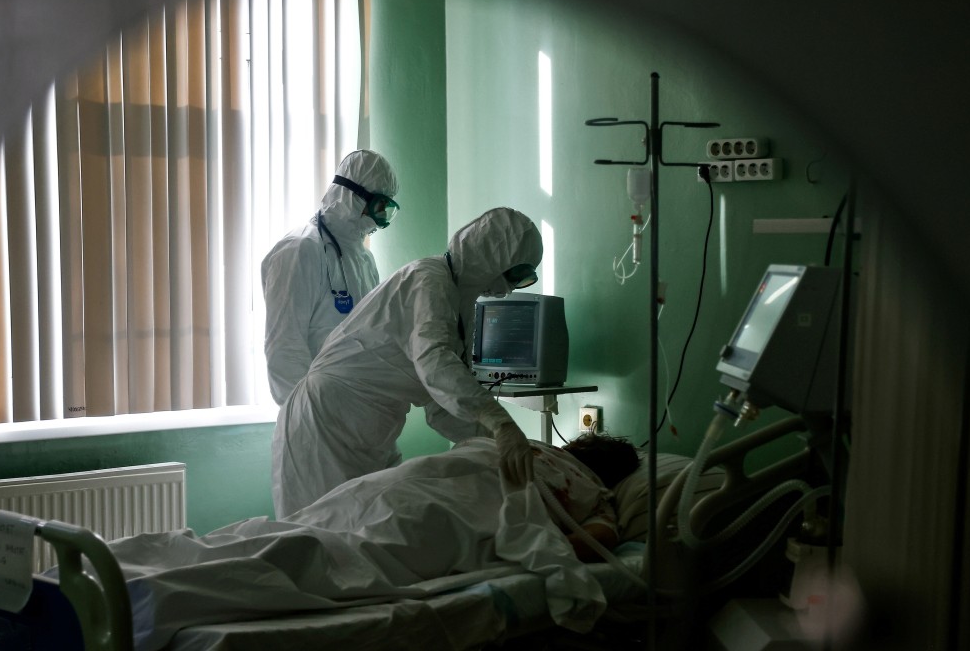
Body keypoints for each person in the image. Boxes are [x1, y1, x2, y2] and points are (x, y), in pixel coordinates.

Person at [102, 434, 642, 651]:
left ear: (581, 443)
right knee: (328, 555)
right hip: (434, 514)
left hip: (388, 492)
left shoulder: (513, 441)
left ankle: (117, 574)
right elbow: (585, 548)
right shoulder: (596, 496)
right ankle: (149, 596)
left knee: (291, 534)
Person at [271, 206, 543, 517]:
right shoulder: (428, 280)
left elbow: (441, 405)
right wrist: (501, 423)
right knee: (324, 530)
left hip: (366, 428)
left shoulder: (458, 304)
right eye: (514, 274)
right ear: (490, 255)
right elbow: (435, 363)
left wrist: (495, 444)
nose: (509, 289)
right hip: (328, 422)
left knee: (366, 528)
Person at [261, 150, 401, 405]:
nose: (380, 219)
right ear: (352, 196)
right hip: (315, 415)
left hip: (357, 409)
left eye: (386, 209)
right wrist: (307, 414)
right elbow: (284, 348)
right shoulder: (299, 250)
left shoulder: (364, 259)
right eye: (378, 206)